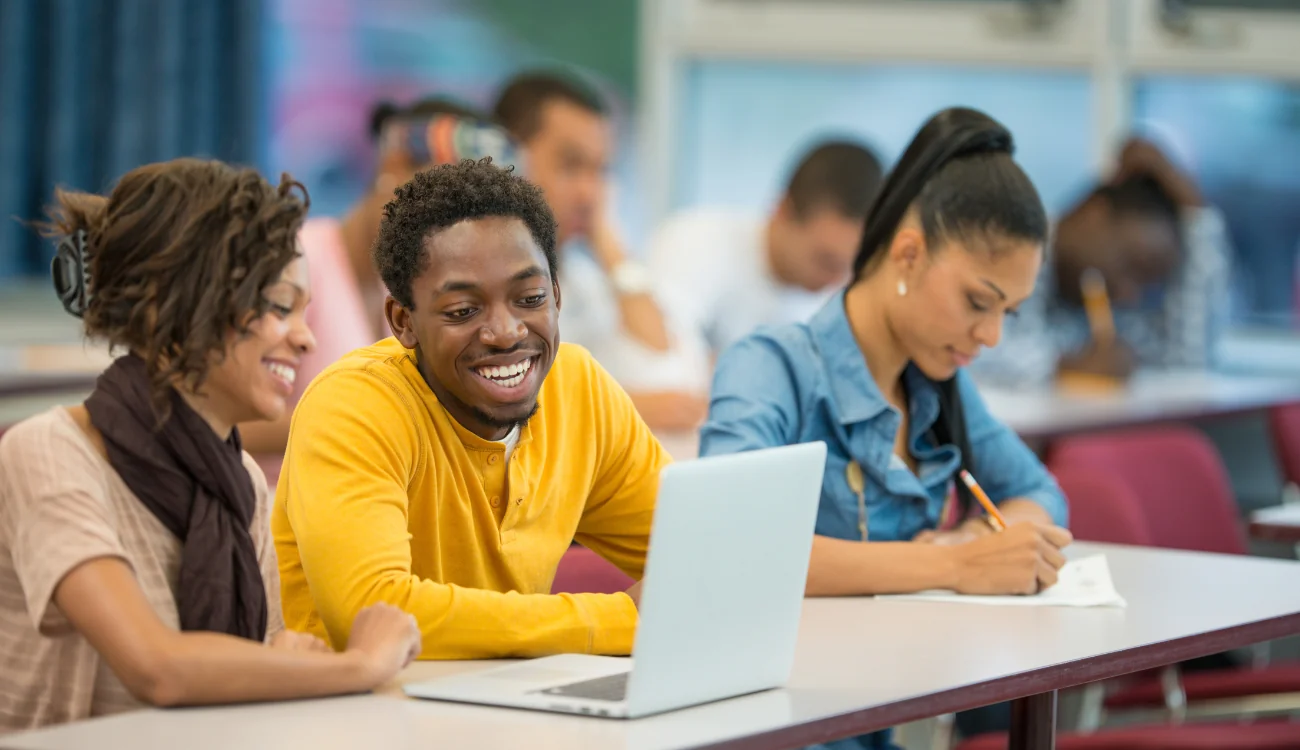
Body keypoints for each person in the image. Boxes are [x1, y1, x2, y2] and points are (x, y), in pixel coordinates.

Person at [0, 159, 422, 734]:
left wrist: (290, 659)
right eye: (278, 305)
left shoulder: (242, 477)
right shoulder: (50, 453)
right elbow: (158, 668)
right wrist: (359, 664)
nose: (306, 337)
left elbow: (260, 663)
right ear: (178, 304)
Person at [698, 108, 1073, 750]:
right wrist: (951, 564)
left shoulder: (936, 388)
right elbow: (733, 550)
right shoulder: (772, 367)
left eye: (1008, 312)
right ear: (907, 253)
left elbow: (1041, 493)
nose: (991, 336)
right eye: (978, 303)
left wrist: (985, 536)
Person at [273, 157, 670, 660]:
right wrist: (613, 620)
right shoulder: (353, 407)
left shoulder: (579, 387)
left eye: (529, 298)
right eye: (463, 311)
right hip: (363, 720)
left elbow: (702, 550)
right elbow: (372, 610)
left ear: (557, 297)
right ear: (402, 320)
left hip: (518, 712)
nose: (505, 331)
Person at [240, 97, 518, 484]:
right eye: (447, 202)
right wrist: (376, 424)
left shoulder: (420, 293)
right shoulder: (294, 259)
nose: (456, 228)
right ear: (394, 167)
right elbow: (221, 420)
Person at [492, 70, 709, 432]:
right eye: (571, 165)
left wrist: (610, 246)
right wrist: (618, 406)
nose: (590, 194)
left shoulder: (580, 278)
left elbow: (670, 369)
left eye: (601, 171)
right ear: (504, 158)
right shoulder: (470, 278)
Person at [970, 137, 1232, 387]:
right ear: (1096, 214)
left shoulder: (1111, 309)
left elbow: (1187, 365)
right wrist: (1063, 367)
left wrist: (1196, 215)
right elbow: (975, 351)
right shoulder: (1011, 245)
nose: (1130, 294)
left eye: (1146, 284)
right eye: (1133, 265)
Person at [646, 139, 884, 380]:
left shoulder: (847, 297)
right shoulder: (695, 241)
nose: (836, 281)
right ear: (782, 211)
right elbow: (656, 356)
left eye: (848, 267)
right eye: (825, 261)